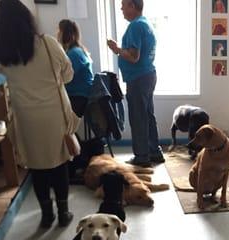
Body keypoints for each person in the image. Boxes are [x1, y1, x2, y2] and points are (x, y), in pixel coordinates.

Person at [0, 0, 75, 228]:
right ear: (27, 18)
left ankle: (46, 214)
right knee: (59, 164)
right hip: (54, 114)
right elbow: (69, 74)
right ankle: (63, 213)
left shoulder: (1, 53)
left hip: (26, 117)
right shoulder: (48, 43)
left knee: (37, 166)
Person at [107, 0, 164, 167]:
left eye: (123, 5)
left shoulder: (135, 26)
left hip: (138, 78)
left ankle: (142, 156)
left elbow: (133, 57)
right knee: (147, 115)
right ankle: (154, 152)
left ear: (132, 6)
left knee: (138, 117)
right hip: (147, 75)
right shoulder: (145, 24)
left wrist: (116, 49)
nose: (121, 9)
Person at [57, 19, 94, 117]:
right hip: (81, 95)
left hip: (78, 97)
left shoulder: (73, 54)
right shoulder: (78, 50)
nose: (57, 35)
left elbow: (64, 77)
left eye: (59, 31)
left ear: (64, 34)